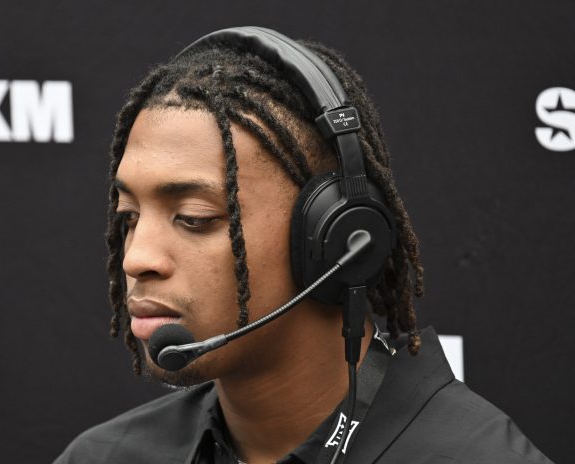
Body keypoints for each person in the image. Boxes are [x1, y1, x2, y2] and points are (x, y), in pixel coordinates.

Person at [54, 27, 552, 464]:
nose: (137, 258)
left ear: (335, 238)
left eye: (193, 218)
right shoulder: (104, 456)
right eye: (129, 218)